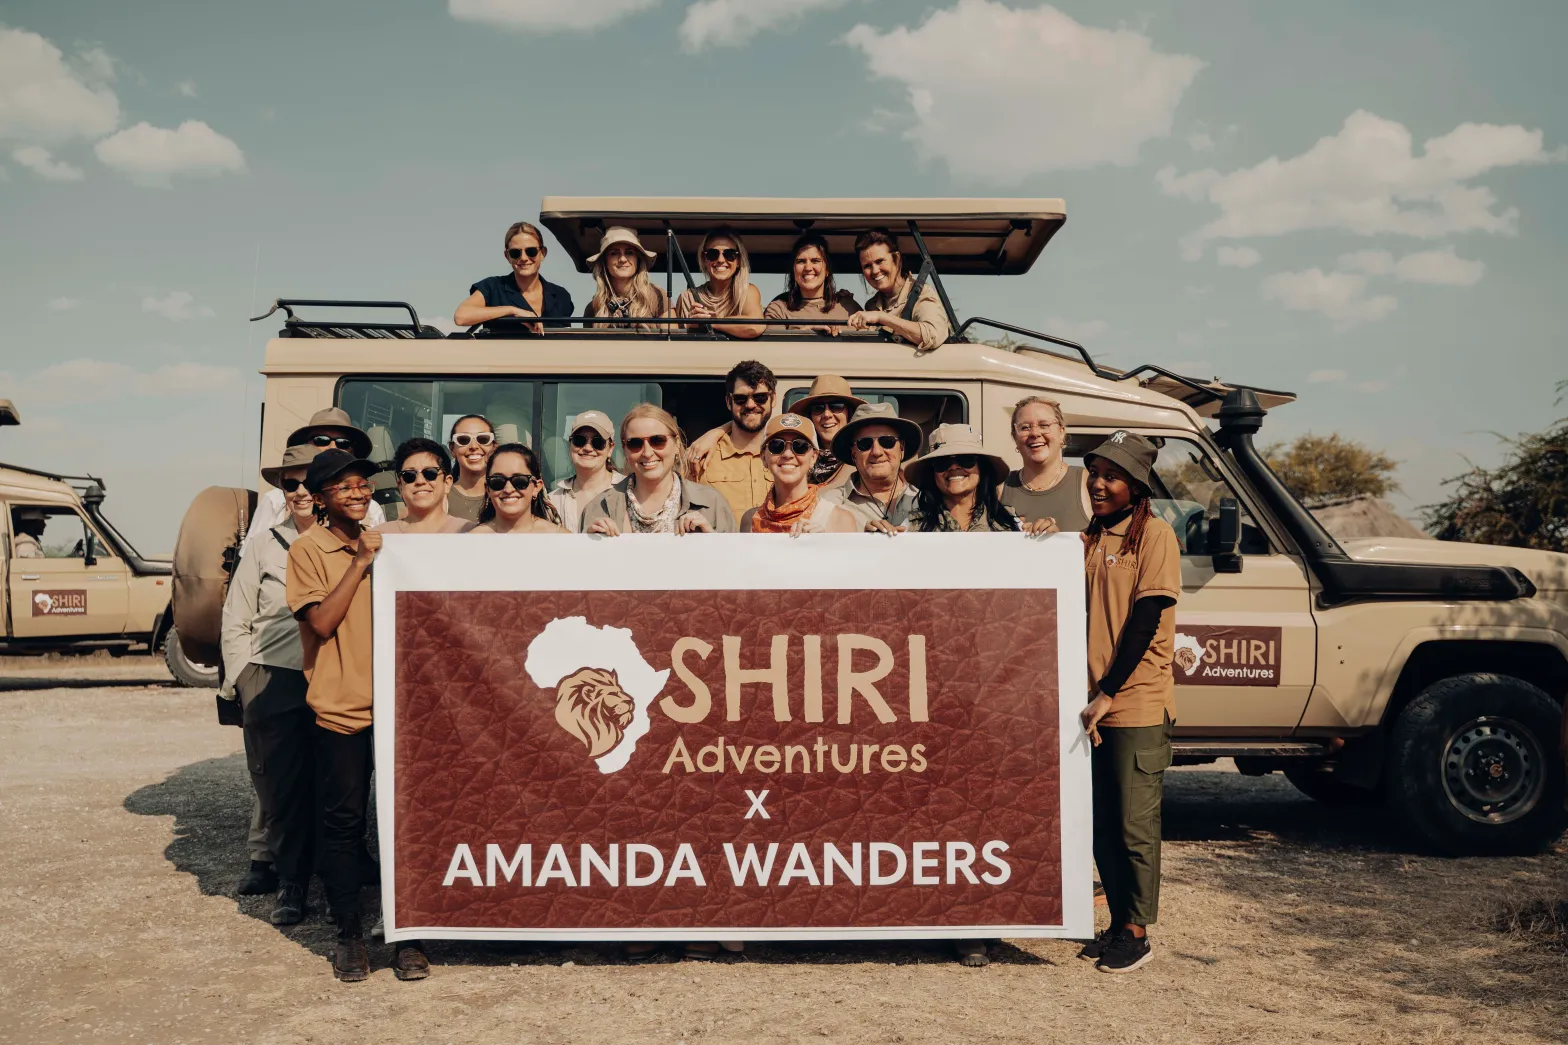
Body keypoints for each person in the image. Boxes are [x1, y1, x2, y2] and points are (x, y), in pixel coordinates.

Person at [287, 449, 429, 983]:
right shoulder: (309, 549)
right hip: (342, 708)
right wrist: (361, 562)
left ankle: (408, 936)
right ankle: (348, 934)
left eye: (362, 485)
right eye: (343, 487)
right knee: (344, 824)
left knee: (406, 824)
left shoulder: (390, 542)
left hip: (402, 708)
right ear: (321, 498)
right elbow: (321, 623)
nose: (357, 493)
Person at [1077, 431, 1181, 975]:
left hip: (1133, 703)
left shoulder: (1156, 535)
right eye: (1094, 473)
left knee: (1134, 824)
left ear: (1136, 486)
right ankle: (1117, 922)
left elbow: (1145, 621)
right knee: (1100, 823)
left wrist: (1108, 693)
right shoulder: (1091, 537)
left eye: (1111, 476)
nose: (1098, 484)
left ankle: (1137, 932)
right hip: (1092, 703)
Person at [220, 443, 318, 927]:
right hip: (273, 674)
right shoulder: (262, 545)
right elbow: (236, 616)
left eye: (307, 482)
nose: (299, 492)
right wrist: (243, 678)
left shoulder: (356, 540)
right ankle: (290, 883)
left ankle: (339, 878)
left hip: (333, 675)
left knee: (335, 783)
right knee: (279, 786)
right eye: (289, 483)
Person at [242, 408, 385, 554]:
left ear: (352, 451)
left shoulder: (370, 508)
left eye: (343, 443)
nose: (332, 447)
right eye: (321, 440)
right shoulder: (275, 500)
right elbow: (250, 554)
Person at [583, 404, 736, 536]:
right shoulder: (599, 507)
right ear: (625, 450)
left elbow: (734, 564)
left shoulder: (711, 504)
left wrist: (714, 541)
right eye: (635, 443)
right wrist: (588, 546)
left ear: (676, 444)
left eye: (657, 441)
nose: (647, 453)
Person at [739, 414, 859, 534]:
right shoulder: (750, 521)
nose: (787, 454)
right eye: (776, 446)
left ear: (813, 458)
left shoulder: (840, 520)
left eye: (800, 446)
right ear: (764, 458)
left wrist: (825, 544)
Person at [686, 360, 775, 518]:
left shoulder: (789, 454)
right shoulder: (700, 455)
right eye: (741, 399)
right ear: (728, 402)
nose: (750, 405)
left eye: (760, 397)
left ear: (773, 399)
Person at [456, 220, 574, 331]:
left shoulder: (561, 296)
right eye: (515, 253)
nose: (523, 258)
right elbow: (461, 317)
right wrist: (512, 311)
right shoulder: (492, 287)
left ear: (542, 253)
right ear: (507, 256)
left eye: (531, 251)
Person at [902, 423, 1020, 534]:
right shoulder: (911, 528)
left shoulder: (1012, 524)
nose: (954, 467)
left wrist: (1036, 535)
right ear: (931, 472)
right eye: (942, 461)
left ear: (982, 467)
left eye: (966, 459)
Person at [844, 230, 950, 351]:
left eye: (880, 261)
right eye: (867, 266)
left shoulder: (921, 292)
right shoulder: (872, 305)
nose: (874, 271)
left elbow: (933, 335)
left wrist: (881, 317)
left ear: (897, 258)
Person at [823, 403, 922, 530]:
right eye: (865, 444)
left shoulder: (926, 498)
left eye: (887, 442)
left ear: (901, 448)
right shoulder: (830, 504)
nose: (876, 452)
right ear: (853, 453)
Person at [1001, 396, 1090, 534]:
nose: (1035, 433)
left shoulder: (1086, 483)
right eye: (1025, 427)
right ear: (1015, 437)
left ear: (1061, 432)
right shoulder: (1001, 487)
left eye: (1044, 425)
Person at [762, 232, 861, 334]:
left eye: (815, 261)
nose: (808, 268)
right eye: (801, 261)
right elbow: (773, 348)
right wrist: (806, 332)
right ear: (793, 270)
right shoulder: (778, 309)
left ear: (827, 270)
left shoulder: (848, 306)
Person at [673, 229, 764, 339]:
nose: (721, 260)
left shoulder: (746, 291)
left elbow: (755, 327)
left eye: (729, 254)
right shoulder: (688, 297)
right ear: (704, 259)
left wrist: (710, 322)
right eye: (713, 254)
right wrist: (691, 325)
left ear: (739, 260)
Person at [546, 410, 624, 532]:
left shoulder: (629, 491)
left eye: (598, 442)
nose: (588, 448)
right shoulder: (552, 501)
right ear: (570, 445)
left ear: (610, 448)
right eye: (579, 440)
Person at [583, 227, 670, 331]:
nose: (622, 259)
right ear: (605, 262)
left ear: (637, 259)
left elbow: (673, 342)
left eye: (629, 253)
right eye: (614, 253)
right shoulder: (594, 307)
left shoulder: (657, 296)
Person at [467, 443, 567, 534]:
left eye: (519, 481)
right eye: (497, 481)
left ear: (536, 487)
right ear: (488, 489)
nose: (508, 489)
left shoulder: (560, 538)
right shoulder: (472, 540)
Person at [788, 375, 865, 487]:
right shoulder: (797, 458)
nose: (827, 414)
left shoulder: (864, 456)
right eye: (818, 408)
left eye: (836, 406)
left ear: (849, 413)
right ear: (810, 416)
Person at [377, 438, 467, 533]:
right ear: (400, 486)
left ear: (447, 483)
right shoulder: (380, 537)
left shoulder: (469, 532)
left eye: (430, 473)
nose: (420, 481)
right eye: (409, 475)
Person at [446, 414, 497, 523]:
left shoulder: (508, 494)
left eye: (483, 439)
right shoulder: (440, 497)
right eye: (463, 440)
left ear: (494, 447)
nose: (474, 446)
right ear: (452, 449)